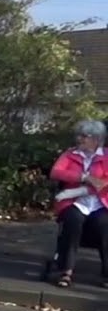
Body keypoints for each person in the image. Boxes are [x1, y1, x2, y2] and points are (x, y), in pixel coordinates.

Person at [47, 119, 108, 288]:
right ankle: (65, 271)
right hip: (74, 201)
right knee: (72, 221)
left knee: (105, 225)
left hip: (100, 203)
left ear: (97, 139)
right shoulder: (69, 154)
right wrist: (84, 177)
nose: (79, 139)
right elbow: (55, 172)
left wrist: (101, 183)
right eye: (78, 135)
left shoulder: (107, 156)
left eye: (84, 136)